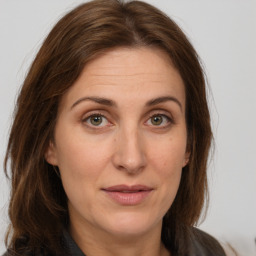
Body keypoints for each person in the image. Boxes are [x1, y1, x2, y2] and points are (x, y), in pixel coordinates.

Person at [3, 0, 227, 255]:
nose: (131, 160)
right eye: (96, 119)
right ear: (48, 142)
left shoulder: (207, 250)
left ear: (190, 143)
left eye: (158, 119)